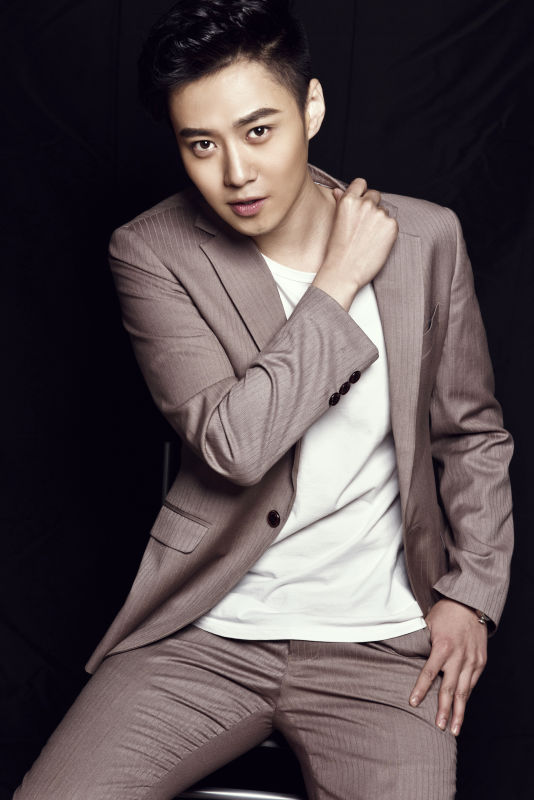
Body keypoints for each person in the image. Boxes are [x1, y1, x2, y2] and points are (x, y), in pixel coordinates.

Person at [14, 1, 513, 798]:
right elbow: (236, 446)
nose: (236, 173)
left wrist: (472, 596)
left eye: (258, 131)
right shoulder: (153, 251)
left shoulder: (427, 240)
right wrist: (338, 281)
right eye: (201, 144)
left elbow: (471, 435)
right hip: (204, 634)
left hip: (384, 647)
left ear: (311, 108)